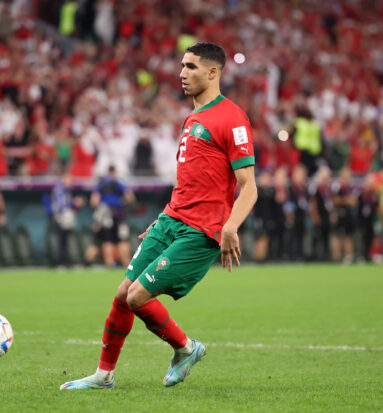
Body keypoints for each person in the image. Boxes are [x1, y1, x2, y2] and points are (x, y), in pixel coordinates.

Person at [61, 42, 257, 390]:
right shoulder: (193, 117)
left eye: (191, 67)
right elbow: (193, 181)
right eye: (182, 66)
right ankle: (104, 376)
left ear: (213, 72)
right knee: (122, 294)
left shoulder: (231, 118)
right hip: (172, 219)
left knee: (137, 297)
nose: (182, 73)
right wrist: (164, 215)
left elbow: (249, 186)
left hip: (201, 230)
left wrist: (230, 226)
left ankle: (186, 348)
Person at [85, 165, 135, 267]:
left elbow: (94, 201)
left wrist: (100, 211)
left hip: (106, 217)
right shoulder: (118, 183)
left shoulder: (101, 184)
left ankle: (110, 263)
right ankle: (126, 264)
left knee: (108, 241)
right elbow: (130, 197)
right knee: (122, 240)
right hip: (118, 215)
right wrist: (123, 203)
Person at [50, 171, 84, 267]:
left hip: (64, 218)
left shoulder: (66, 190)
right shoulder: (60, 189)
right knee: (61, 241)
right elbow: (61, 205)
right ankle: (61, 262)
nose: (71, 182)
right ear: (64, 179)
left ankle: (65, 261)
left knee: (65, 241)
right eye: (69, 179)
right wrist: (74, 203)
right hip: (59, 219)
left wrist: (76, 205)